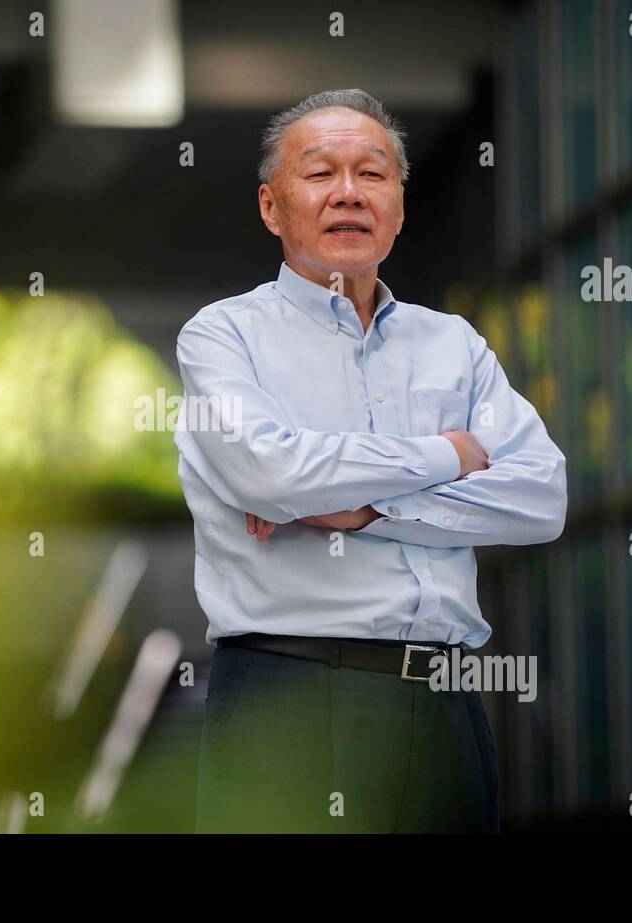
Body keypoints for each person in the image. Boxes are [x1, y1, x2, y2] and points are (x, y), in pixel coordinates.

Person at [173, 88, 568, 833]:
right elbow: (275, 474)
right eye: (320, 173)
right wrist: (448, 453)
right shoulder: (223, 337)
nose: (349, 193)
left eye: (373, 174)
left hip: (446, 705)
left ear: (400, 205)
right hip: (289, 694)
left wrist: (367, 509)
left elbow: (542, 496)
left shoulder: (454, 344)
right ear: (271, 206)